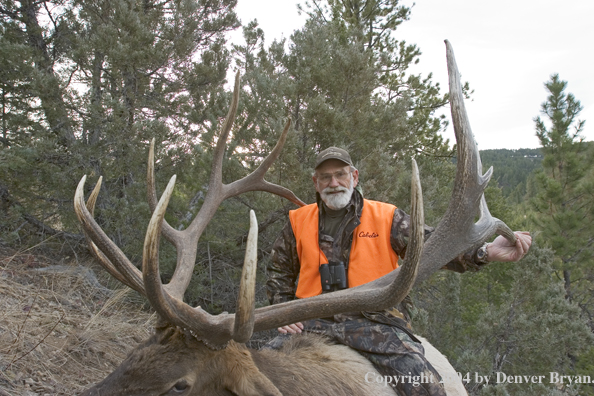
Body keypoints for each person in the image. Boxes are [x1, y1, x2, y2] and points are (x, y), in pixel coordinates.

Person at [266, 147, 532, 396]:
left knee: (425, 386)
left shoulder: (387, 217)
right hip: (314, 322)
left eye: (340, 175)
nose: (333, 183)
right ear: (316, 183)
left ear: (354, 177)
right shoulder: (297, 222)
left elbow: (434, 247)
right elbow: (279, 271)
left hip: (373, 323)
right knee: (256, 374)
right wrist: (282, 312)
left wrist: (485, 252)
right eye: (325, 177)